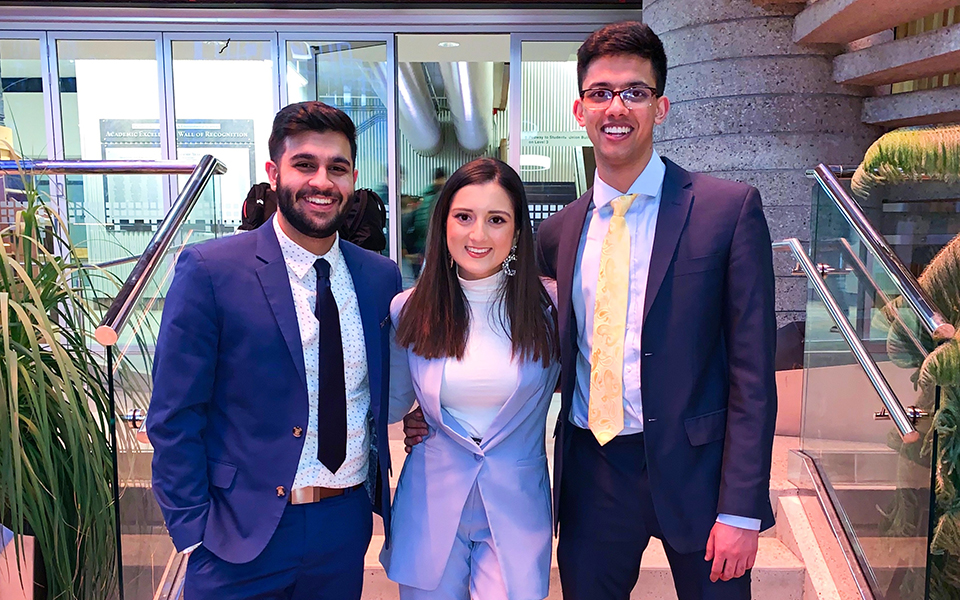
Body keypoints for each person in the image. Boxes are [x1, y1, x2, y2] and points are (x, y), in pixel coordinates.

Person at [403, 20, 777, 600]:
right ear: (580, 109)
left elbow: (754, 374)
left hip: (699, 477)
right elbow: (512, 336)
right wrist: (435, 403)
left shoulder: (726, 211)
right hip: (594, 475)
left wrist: (743, 509)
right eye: (600, 93)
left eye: (634, 91)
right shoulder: (556, 235)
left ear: (661, 105)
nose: (616, 107)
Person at [148, 101, 402, 600]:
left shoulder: (379, 276)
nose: (322, 181)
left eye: (338, 167)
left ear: (353, 178)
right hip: (238, 531)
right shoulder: (210, 270)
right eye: (304, 164)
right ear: (273, 172)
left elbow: (380, 388)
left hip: (343, 525)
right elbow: (174, 415)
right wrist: (192, 530)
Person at [382, 157, 560, 600]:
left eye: (496, 219)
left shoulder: (551, 308)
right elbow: (391, 403)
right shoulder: (409, 308)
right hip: (430, 505)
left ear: (517, 231)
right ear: (444, 225)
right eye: (464, 217)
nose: (478, 235)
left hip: (516, 509)